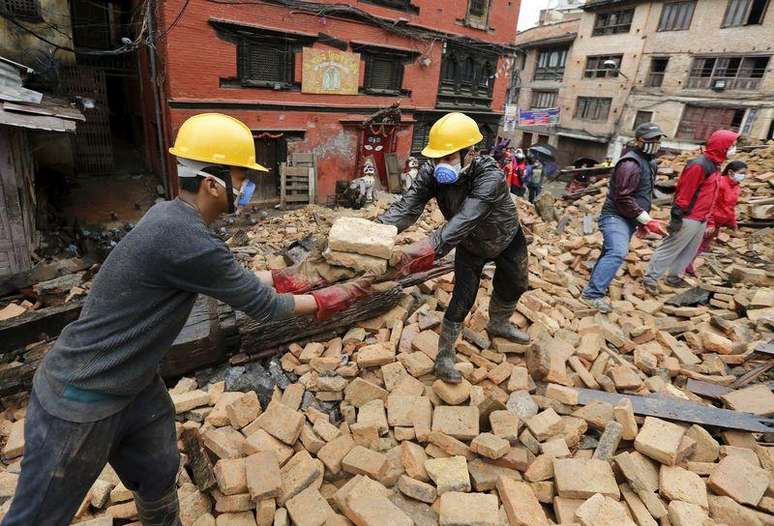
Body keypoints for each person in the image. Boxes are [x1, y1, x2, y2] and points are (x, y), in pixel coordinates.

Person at [2, 113, 373, 526]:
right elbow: (264, 306)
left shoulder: (172, 218)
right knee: (37, 517)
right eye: (240, 177)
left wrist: (291, 276)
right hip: (82, 394)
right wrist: (330, 299)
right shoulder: (186, 238)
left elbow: (225, 276)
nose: (246, 188)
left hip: (135, 382)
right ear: (211, 183)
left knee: (159, 470)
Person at [376, 112, 530, 383]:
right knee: (462, 298)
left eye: (447, 158)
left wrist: (424, 252)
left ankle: (499, 323)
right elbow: (407, 207)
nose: (439, 165)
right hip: (470, 245)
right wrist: (375, 232)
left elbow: (465, 219)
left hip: (505, 237)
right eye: (436, 158)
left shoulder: (490, 176)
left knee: (516, 283)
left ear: (470, 154)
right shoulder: (431, 173)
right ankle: (445, 356)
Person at [580, 122, 669, 313]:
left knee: (609, 252)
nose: (655, 142)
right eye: (650, 139)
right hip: (615, 216)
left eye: (658, 139)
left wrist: (641, 221)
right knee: (617, 252)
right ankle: (592, 295)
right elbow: (623, 197)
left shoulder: (650, 162)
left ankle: (593, 288)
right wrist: (646, 220)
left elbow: (643, 193)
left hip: (629, 218)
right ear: (638, 141)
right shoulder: (630, 164)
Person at [643, 129, 739, 292]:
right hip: (689, 216)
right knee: (670, 247)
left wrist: (708, 219)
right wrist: (676, 218)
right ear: (722, 146)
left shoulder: (715, 165)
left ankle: (674, 277)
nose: (734, 149)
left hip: (702, 217)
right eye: (732, 145)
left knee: (689, 250)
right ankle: (650, 278)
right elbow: (684, 192)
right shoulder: (699, 165)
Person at [685, 160, 747, 275]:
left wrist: (732, 222)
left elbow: (730, 206)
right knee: (695, 244)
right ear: (731, 172)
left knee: (703, 246)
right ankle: (682, 267)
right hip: (709, 221)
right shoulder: (720, 184)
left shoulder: (736, 187)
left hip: (718, 222)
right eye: (742, 173)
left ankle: (688, 265)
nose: (743, 176)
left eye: (745, 173)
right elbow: (711, 204)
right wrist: (711, 223)